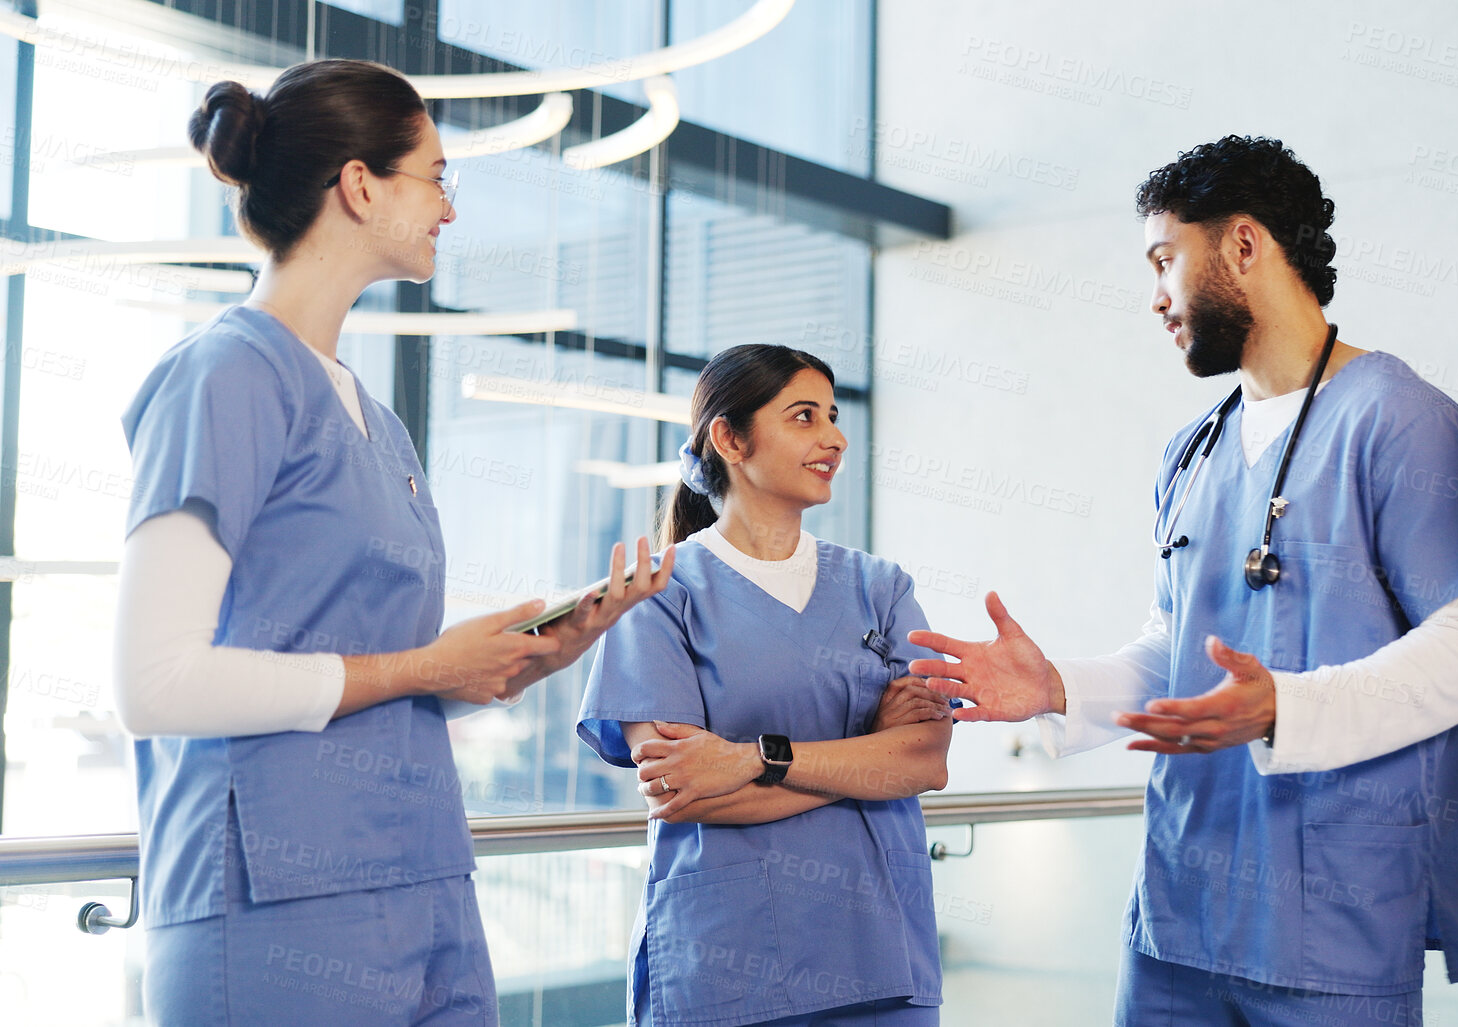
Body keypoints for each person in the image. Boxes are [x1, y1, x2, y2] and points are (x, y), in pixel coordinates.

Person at [909, 135, 1458, 1024]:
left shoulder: (1400, 422)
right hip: (1177, 919)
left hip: (1334, 929)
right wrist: (1058, 684)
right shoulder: (1190, 451)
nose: (1155, 297)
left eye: (1165, 260)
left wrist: (1285, 707)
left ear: (1243, 245)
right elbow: (1180, 649)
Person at [115, 59, 672, 1025]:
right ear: (361, 185)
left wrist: (520, 659)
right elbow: (153, 684)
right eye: (437, 178)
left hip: (423, 879)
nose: (449, 211)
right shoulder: (225, 376)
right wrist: (422, 662)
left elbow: (387, 676)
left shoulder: (377, 419)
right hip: (272, 902)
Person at [576, 343, 954, 1027]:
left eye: (833, 416)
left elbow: (924, 759)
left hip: (879, 954)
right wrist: (867, 753)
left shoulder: (881, 588)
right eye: (803, 417)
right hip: (724, 960)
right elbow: (683, 789)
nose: (834, 437)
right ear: (729, 437)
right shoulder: (657, 593)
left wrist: (754, 758)